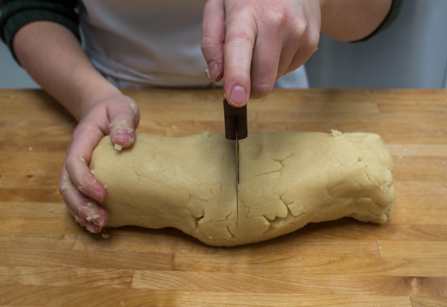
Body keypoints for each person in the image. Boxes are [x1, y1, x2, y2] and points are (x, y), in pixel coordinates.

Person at [0, 0, 401, 233]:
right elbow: (29, 3)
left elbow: (376, 12)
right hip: (111, 87)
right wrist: (88, 95)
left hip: (276, 89)